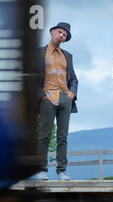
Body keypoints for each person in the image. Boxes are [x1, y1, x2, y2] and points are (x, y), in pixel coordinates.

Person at [36, 22, 78, 181]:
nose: (62, 36)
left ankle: (61, 171)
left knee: (62, 137)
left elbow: (73, 78)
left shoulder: (67, 56)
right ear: (52, 31)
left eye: (65, 35)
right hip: (47, 97)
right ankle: (42, 170)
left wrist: (72, 93)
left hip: (64, 98)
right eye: (60, 32)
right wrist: (41, 96)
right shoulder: (39, 53)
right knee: (44, 136)